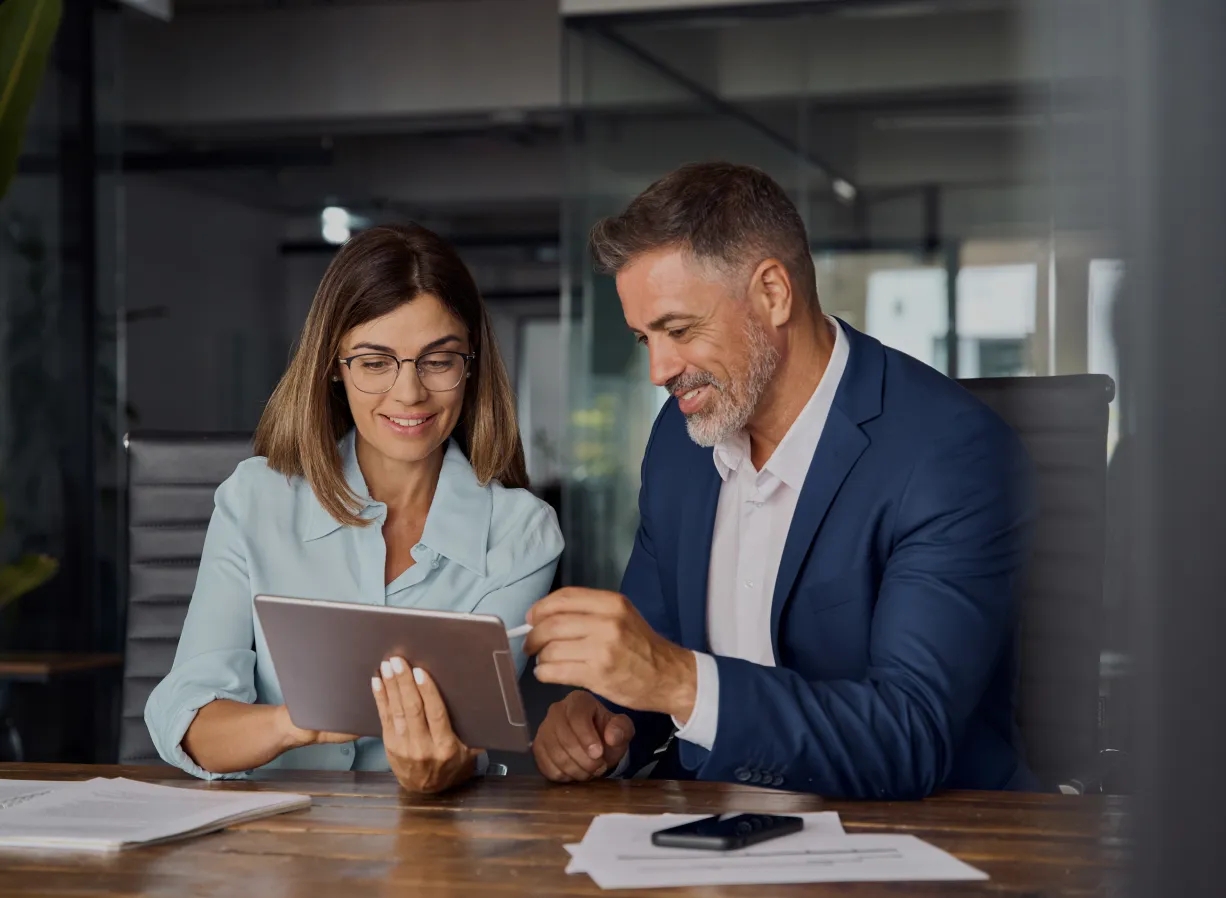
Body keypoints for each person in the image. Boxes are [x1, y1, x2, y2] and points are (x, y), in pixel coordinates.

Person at [525, 162, 1037, 798]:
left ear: (773, 292)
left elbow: (911, 735)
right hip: (702, 830)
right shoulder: (680, 444)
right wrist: (602, 721)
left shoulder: (949, 454)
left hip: (909, 839)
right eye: (643, 339)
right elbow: (653, 657)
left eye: (679, 330)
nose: (659, 369)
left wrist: (680, 683)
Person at [146, 224, 563, 794]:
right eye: (375, 362)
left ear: (471, 365)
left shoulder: (523, 534)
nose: (409, 393)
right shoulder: (254, 500)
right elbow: (190, 717)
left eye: (438, 361)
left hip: (434, 845)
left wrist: (442, 767)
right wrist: (296, 722)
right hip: (272, 849)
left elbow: (469, 737)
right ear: (334, 368)